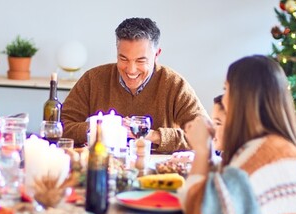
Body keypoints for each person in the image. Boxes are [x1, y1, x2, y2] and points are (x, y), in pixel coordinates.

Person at [178, 55, 296, 214]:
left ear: (244, 98)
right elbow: (219, 190)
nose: (223, 99)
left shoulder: (267, 155)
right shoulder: (271, 147)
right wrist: (207, 149)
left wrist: (201, 149)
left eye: (226, 90)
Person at [61, 17, 206, 153]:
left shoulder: (174, 85)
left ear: (156, 55)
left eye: (140, 61)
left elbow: (206, 135)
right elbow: (60, 125)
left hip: (157, 173)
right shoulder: (93, 79)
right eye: (123, 59)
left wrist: (152, 135)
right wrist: (98, 128)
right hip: (104, 167)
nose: (131, 70)